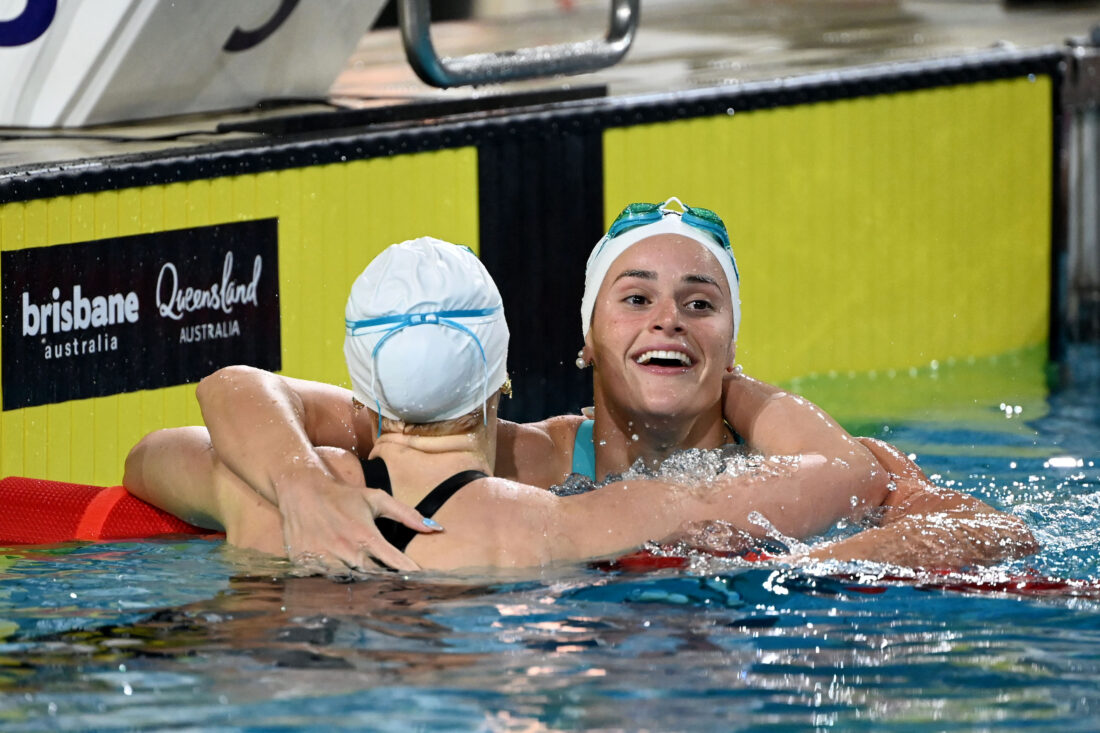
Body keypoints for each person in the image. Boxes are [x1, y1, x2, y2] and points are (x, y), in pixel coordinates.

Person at [125, 199, 1036, 571]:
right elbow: (246, 392)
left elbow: (996, 530)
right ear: (587, 341)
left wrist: (804, 571)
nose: (667, 319)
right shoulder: (532, 457)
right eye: (634, 298)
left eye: (699, 301)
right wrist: (298, 477)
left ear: (732, 334)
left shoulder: (807, 454)